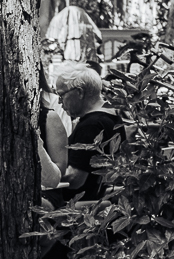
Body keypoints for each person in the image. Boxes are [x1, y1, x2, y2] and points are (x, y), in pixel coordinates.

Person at [50, 62, 123, 204]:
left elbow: (75, 179)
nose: (59, 102)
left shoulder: (91, 125)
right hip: (96, 201)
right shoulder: (112, 117)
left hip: (77, 207)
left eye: (61, 95)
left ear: (79, 92)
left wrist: (42, 176)